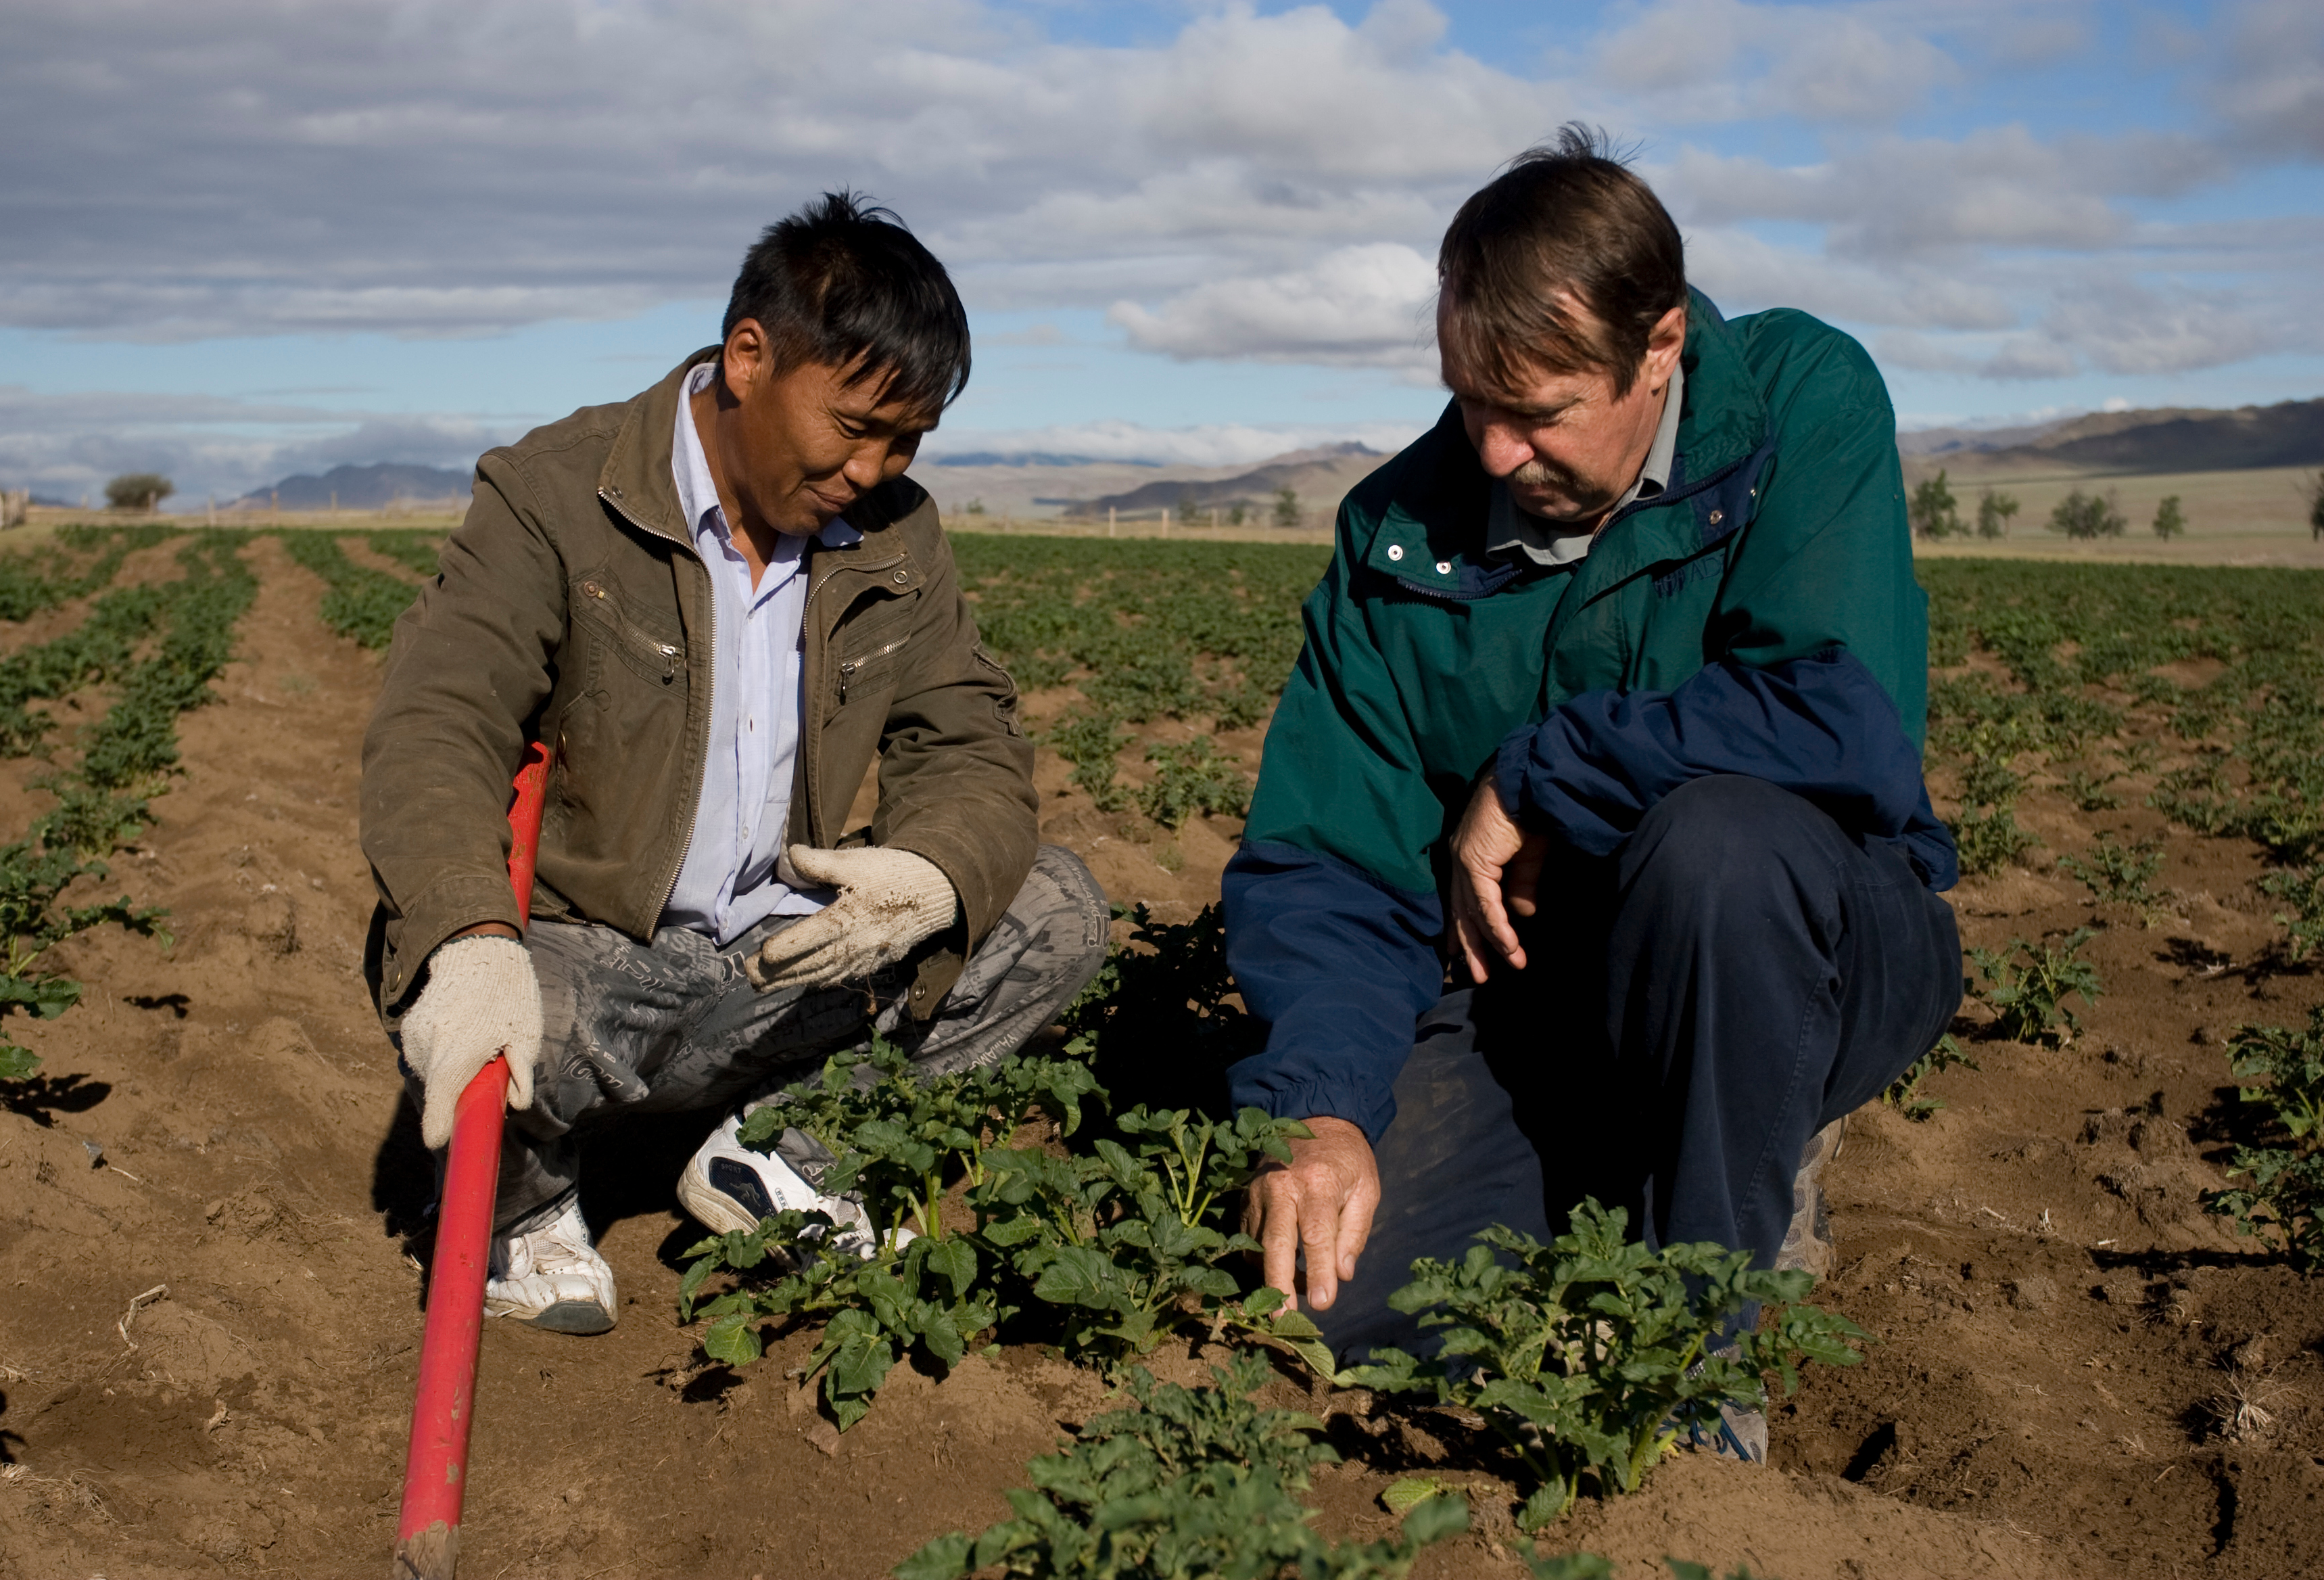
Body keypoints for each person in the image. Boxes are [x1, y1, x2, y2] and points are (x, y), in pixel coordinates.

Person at [1223, 127, 1963, 1457]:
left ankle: (1700, 1362)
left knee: (1718, 846)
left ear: (1658, 348)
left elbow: (1839, 717)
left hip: (1820, 950)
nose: (1496, 452)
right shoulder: (1399, 530)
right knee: (1328, 1311)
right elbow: (1333, 865)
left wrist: (1541, 770)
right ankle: (1657, 1179)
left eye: (1542, 411)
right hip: (1544, 1002)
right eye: (1469, 401)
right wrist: (1323, 1109)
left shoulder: (1802, 401)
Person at [360, 193, 1110, 1336]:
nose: (874, 467)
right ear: (750, 358)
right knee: (463, 988)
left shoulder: (898, 534)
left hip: (783, 954)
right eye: (854, 425)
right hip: (595, 959)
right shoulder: (557, 495)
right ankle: (527, 1207)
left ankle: (783, 1154)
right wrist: (467, 936)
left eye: (907, 440)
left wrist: (931, 877)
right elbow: (438, 722)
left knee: (1052, 908)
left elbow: (968, 737)